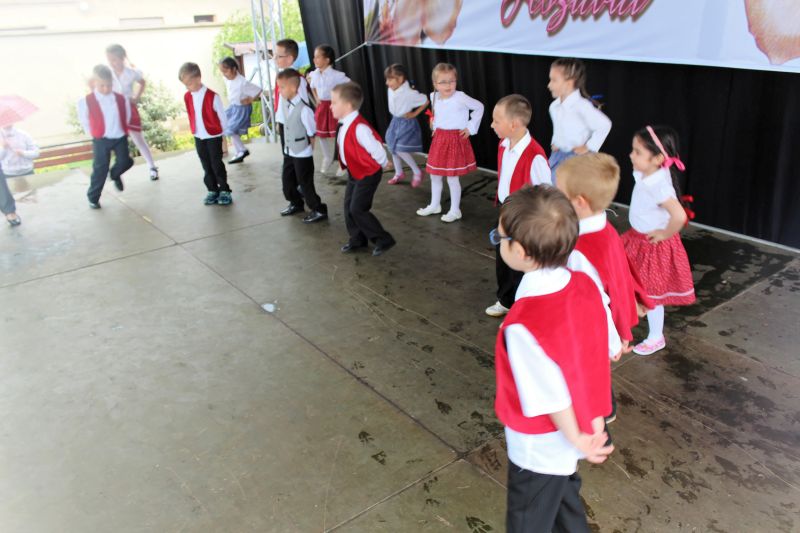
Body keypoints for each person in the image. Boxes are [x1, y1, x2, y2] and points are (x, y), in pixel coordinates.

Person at [493, 185, 615, 533]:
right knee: (564, 503)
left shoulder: (523, 325)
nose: (498, 243)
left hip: (541, 445)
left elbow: (549, 395)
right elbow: (600, 351)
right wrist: (592, 423)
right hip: (578, 426)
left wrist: (577, 438)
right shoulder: (584, 284)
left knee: (528, 521)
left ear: (521, 251)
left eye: (500, 238)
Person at [556, 153, 656, 421]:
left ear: (579, 202)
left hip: (591, 329)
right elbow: (620, 273)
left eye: (560, 193)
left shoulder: (580, 251)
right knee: (594, 369)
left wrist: (614, 342)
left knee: (586, 371)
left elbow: (595, 304)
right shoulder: (605, 229)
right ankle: (604, 407)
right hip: (607, 325)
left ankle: (599, 414)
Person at [622, 126, 696, 355]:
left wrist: (664, 234)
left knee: (651, 294)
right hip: (637, 240)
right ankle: (625, 320)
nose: (631, 155)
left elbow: (679, 216)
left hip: (652, 246)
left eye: (637, 152)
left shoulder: (658, 185)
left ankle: (656, 336)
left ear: (657, 159)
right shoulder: (648, 174)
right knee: (632, 284)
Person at [485, 94, 551, 318]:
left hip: (524, 218)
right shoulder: (504, 144)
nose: (492, 125)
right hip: (505, 211)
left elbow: (545, 194)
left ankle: (523, 308)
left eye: (496, 121)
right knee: (503, 259)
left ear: (513, 124)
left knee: (521, 265)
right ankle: (506, 300)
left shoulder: (535, 156)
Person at [331, 81, 396, 257]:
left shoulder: (359, 127)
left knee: (357, 209)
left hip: (368, 173)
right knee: (348, 207)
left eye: (334, 102)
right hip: (355, 172)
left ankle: (383, 239)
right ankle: (357, 239)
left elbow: (376, 147)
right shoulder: (344, 123)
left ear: (348, 105)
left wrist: (384, 162)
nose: (330, 106)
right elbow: (345, 146)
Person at [417, 62, 483, 223]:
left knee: (452, 178)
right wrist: (435, 126)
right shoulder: (433, 96)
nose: (448, 85)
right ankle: (435, 205)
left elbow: (479, 107)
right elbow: (437, 114)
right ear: (435, 84)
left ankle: (455, 210)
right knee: (435, 175)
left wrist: (470, 128)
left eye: (451, 81)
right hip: (439, 140)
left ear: (456, 81)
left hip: (454, 140)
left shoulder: (460, 97)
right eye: (443, 82)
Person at [77, 64, 133, 209]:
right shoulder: (86, 101)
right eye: (102, 85)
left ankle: (114, 174)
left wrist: (124, 129)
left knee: (126, 161)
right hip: (101, 139)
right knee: (100, 168)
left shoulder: (120, 99)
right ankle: (93, 198)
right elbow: (84, 120)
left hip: (119, 136)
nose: (106, 89)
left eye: (109, 85)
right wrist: (93, 133)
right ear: (94, 82)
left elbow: (126, 115)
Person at [277, 69, 327, 223]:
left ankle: (318, 209)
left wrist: (309, 150)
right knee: (287, 181)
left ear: (293, 88)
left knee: (305, 184)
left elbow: (311, 132)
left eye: (282, 87)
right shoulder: (285, 104)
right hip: (289, 151)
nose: (279, 90)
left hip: (302, 153)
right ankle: (296, 203)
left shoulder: (304, 109)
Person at [178, 62, 231, 206]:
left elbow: (222, 118)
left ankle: (224, 190)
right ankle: (212, 190)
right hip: (199, 136)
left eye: (189, 83)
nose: (187, 87)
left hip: (213, 136)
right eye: (185, 85)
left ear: (198, 78)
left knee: (216, 164)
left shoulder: (212, 96)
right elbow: (191, 114)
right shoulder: (187, 96)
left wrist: (223, 139)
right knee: (206, 165)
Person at [547, 58, 611, 173]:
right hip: (557, 156)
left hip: (576, 159)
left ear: (569, 83)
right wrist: (556, 143)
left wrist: (589, 147)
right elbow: (558, 128)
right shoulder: (554, 106)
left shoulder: (581, 106)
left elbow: (605, 125)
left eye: (554, 80)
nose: (549, 85)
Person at [106, 44, 159, 180]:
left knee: (138, 139)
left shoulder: (131, 73)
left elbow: (142, 82)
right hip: (114, 110)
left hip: (129, 108)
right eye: (109, 60)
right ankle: (114, 170)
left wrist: (136, 97)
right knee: (113, 140)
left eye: (114, 59)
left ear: (122, 58)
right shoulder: (108, 73)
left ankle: (152, 167)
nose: (112, 63)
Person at [307, 44, 350, 176]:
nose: (314, 60)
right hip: (321, 107)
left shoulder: (337, 76)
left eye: (318, 57)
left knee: (338, 136)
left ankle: (343, 162)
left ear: (327, 60)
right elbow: (312, 86)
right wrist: (316, 98)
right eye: (314, 57)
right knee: (321, 134)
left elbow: (350, 86)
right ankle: (327, 157)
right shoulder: (314, 74)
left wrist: (339, 100)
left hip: (334, 107)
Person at [384, 63, 428, 187]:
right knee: (393, 148)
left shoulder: (409, 93)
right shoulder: (391, 89)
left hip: (406, 123)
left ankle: (417, 171)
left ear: (400, 79)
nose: (387, 82)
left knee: (400, 150)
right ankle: (399, 173)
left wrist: (414, 114)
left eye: (390, 79)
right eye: (387, 79)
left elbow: (425, 100)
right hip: (395, 121)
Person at [218, 57, 262, 164]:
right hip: (233, 107)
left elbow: (258, 90)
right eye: (222, 71)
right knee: (224, 125)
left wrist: (250, 99)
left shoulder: (242, 82)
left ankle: (242, 150)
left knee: (231, 129)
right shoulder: (227, 79)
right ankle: (240, 151)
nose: (224, 74)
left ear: (234, 69)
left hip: (241, 109)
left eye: (226, 71)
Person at [274, 39, 310, 153]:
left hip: (294, 124)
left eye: (279, 56)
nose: (275, 59)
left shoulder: (298, 79)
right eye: (275, 55)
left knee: (297, 155)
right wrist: (279, 119)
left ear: (289, 58)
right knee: (287, 154)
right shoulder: (282, 77)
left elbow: (303, 104)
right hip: (284, 122)